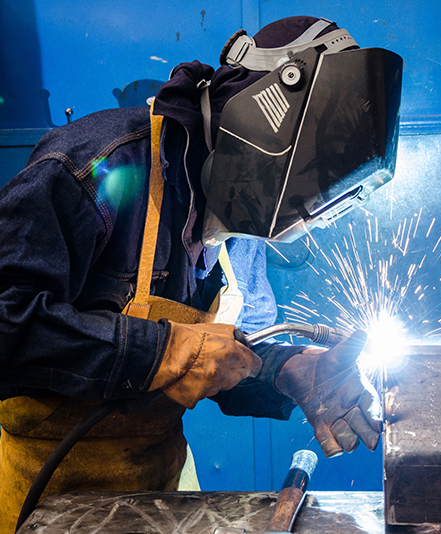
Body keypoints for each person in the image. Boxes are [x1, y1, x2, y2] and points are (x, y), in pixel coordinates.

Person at [0, 15, 401, 534]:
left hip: (157, 487)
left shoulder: (248, 223)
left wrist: (283, 369)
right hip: (41, 491)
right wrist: (161, 350)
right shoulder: (98, 164)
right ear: (266, 119)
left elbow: (218, 361)